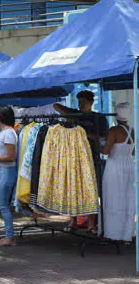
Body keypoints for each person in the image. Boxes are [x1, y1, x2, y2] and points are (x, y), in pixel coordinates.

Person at [53, 90, 108, 233]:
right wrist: (69, 113)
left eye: (84, 102)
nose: (81, 105)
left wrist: (83, 133)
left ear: (91, 102)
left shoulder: (99, 118)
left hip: (91, 157)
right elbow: (56, 106)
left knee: (92, 191)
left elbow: (103, 138)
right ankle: (73, 221)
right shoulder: (75, 114)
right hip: (74, 157)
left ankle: (91, 224)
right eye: (79, 102)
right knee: (73, 189)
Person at [102, 103, 135, 241]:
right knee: (127, 199)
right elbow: (132, 151)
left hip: (114, 166)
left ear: (116, 115)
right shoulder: (132, 130)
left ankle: (113, 233)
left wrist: (96, 142)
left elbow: (105, 151)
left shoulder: (114, 130)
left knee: (113, 198)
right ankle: (126, 233)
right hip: (128, 165)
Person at [0, 106, 18, 247]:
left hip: (6, 171)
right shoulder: (4, 132)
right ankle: (8, 236)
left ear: (1, 117)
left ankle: (9, 237)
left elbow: (11, 157)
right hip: (1, 171)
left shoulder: (8, 133)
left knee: (2, 204)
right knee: (1, 203)